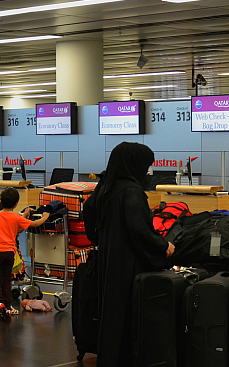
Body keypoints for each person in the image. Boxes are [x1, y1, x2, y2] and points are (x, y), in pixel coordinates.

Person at [83, 142, 175, 367]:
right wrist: (163, 246)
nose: (146, 171)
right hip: (129, 264)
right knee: (129, 316)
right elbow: (139, 230)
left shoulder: (107, 186)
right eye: (145, 165)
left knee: (111, 316)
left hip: (108, 260)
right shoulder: (131, 191)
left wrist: (100, 239)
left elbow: (88, 211)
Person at [0, 188, 49, 320]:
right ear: (16, 204)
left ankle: (0, 304)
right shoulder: (16, 218)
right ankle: (8, 307)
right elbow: (34, 224)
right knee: (7, 280)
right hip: (9, 252)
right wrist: (45, 217)